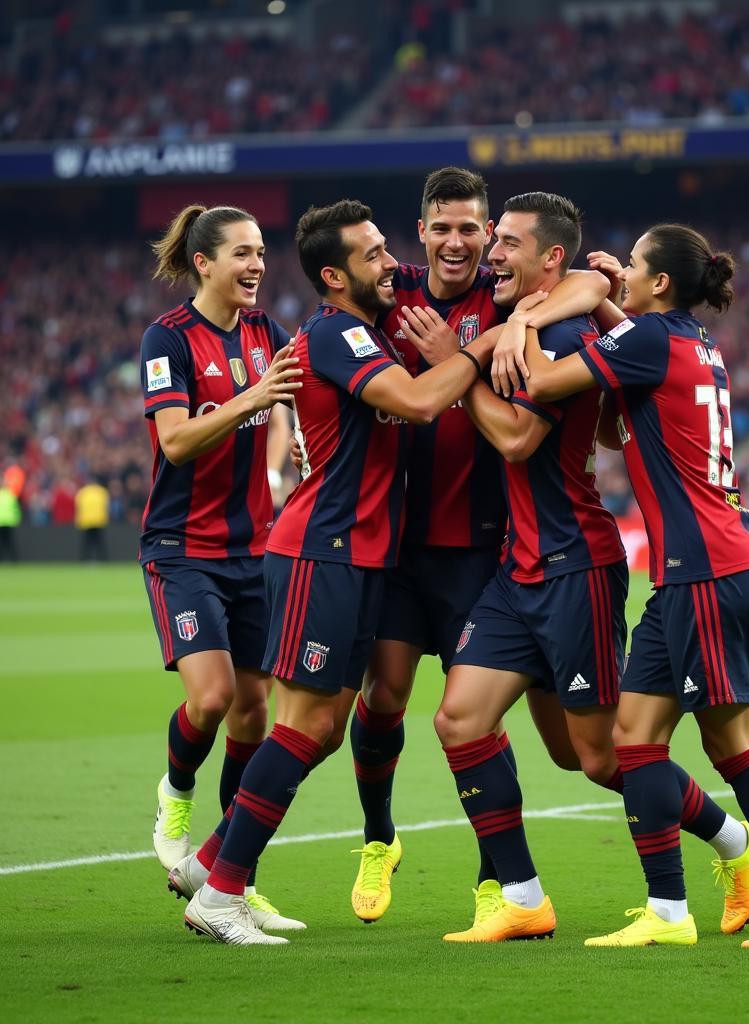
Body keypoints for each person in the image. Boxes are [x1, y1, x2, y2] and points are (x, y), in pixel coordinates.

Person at [409, 195, 749, 944]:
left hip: (577, 567)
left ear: (549, 260)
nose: (492, 253)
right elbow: (594, 287)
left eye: (508, 242)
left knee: (599, 759)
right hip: (519, 568)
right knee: (459, 720)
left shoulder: (561, 333)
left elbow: (513, 438)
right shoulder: (528, 320)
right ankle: (524, 897)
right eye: (491, 239)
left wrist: (458, 365)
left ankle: (736, 845)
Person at [509, 223, 749, 949]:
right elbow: (610, 429)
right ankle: (667, 912)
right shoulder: (689, 343)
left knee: (733, 746)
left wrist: (524, 320)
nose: (618, 271)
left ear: (660, 282)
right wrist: (602, 308)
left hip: (710, 569)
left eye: (631, 264)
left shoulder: (652, 339)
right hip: (704, 568)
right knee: (634, 741)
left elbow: (538, 380)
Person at [175, 198, 499, 946]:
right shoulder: (335, 332)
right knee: (306, 726)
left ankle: (212, 863)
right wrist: (476, 350)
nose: (392, 263)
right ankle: (222, 895)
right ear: (335, 275)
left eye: (389, 248)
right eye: (375, 253)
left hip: (359, 557)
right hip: (323, 551)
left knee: (318, 732)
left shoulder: (370, 330)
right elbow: (419, 403)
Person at [347, 168, 612, 925]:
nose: (461, 243)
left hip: (486, 547)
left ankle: (497, 883)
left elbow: (583, 285)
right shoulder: (387, 293)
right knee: (386, 697)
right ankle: (378, 837)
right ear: (421, 231)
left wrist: (526, 321)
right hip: (399, 545)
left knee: (483, 721)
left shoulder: (506, 294)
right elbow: (331, 311)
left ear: (490, 233)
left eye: (474, 229)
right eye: (444, 227)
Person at [140, 203, 302, 932]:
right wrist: (253, 399)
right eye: (242, 253)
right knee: (210, 698)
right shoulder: (167, 338)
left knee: (254, 713)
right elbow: (175, 442)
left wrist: (275, 470)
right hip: (184, 549)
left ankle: (233, 883)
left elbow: (282, 417)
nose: (257, 265)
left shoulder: (268, 333)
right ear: (204, 263)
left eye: (262, 252)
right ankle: (176, 792)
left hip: (254, 549)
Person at [75, 474, 110, 561]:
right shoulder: (102, 491)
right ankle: (103, 560)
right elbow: (106, 506)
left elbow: (78, 507)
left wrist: (78, 520)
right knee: (99, 542)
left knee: (87, 543)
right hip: (98, 521)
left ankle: (84, 560)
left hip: (86, 521)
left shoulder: (82, 492)